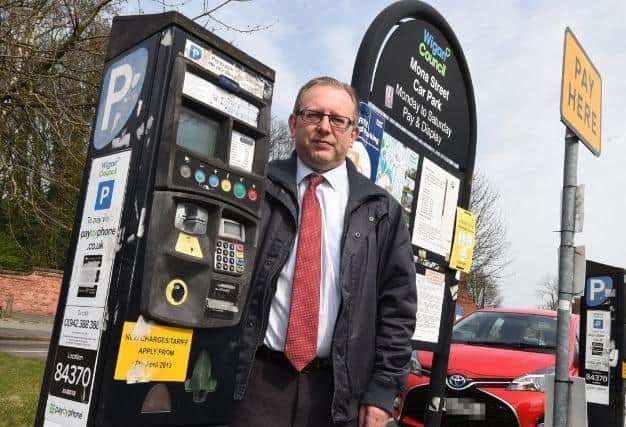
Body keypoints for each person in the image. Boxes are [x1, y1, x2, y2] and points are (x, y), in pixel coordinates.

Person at [231, 76, 417, 427]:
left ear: (353, 134)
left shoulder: (381, 211)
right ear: (293, 123)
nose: (324, 128)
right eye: (313, 115)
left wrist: (382, 391)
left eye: (337, 119)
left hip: (338, 394)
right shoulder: (255, 187)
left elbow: (397, 309)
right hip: (254, 384)